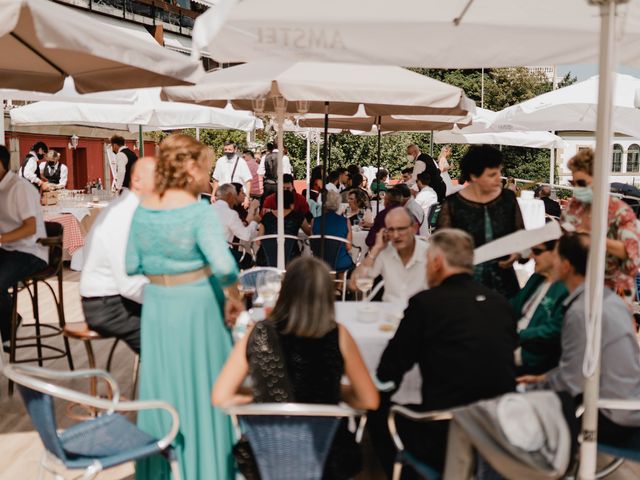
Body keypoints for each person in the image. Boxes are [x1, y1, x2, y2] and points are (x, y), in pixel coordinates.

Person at [126, 134, 243, 480]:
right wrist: (233, 298)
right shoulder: (198, 212)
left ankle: (160, 469)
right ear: (191, 168)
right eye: (207, 169)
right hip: (198, 307)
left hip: (159, 307)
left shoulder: (143, 208)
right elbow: (225, 267)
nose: (210, 178)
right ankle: (204, 468)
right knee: (202, 390)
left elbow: (132, 264)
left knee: (162, 388)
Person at [213, 256, 379, 479]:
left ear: (285, 290)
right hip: (326, 457)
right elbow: (369, 400)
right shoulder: (338, 335)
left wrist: (264, 395)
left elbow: (221, 396)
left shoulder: (258, 331)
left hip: (268, 457)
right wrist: (331, 391)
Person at [371, 229, 517, 476]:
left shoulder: (426, 304)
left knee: (376, 407)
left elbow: (389, 369)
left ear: (437, 262)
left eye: (428, 262)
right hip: (497, 430)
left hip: (445, 430)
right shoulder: (499, 304)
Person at [518, 233, 640, 448]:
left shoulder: (581, 311)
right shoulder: (608, 299)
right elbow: (581, 367)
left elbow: (572, 381)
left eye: (556, 256)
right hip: (627, 402)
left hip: (608, 415)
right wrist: (544, 378)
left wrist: (528, 390)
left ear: (566, 266)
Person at [79, 157, 157, 354]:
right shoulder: (125, 214)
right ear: (137, 181)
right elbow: (129, 284)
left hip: (116, 298)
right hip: (108, 306)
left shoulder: (131, 208)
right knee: (171, 342)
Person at [437, 145, 524, 298]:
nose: (499, 178)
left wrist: (517, 252)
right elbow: (441, 248)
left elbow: (520, 235)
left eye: (499, 172)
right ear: (474, 176)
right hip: (465, 286)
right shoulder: (453, 204)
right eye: (492, 175)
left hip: (504, 283)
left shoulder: (507, 199)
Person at [561, 148, 640, 303]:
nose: (577, 188)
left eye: (582, 183)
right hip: (575, 286)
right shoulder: (572, 208)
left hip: (611, 290)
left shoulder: (620, 211)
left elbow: (631, 253)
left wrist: (594, 239)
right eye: (573, 183)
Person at [0, 145, 48, 350]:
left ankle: (10, 328)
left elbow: (30, 228)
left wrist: (1, 238)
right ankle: (11, 319)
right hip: (7, 248)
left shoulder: (20, 187)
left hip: (30, 251)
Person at [509, 239, 567, 375]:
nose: (531, 257)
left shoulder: (565, 287)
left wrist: (519, 335)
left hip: (535, 355)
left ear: (556, 254)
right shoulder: (536, 278)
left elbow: (555, 329)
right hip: (513, 342)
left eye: (537, 251)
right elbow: (512, 306)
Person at [352, 207, 428, 306]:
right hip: (388, 313)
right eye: (391, 230)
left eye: (401, 229)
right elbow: (354, 284)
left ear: (414, 228)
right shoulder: (384, 251)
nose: (396, 235)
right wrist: (376, 249)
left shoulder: (429, 252)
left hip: (419, 314)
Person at [257, 190, 310, 265]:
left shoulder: (267, 216)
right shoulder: (298, 217)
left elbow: (258, 241)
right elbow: (309, 232)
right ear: (292, 204)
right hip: (291, 258)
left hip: (266, 259)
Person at [312, 191, 354, 272]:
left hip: (320, 261)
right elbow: (349, 247)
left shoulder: (315, 221)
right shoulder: (345, 221)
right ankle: (340, 284)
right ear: (338, 204)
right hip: (340, 262)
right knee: (343, 261)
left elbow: (312, 245)